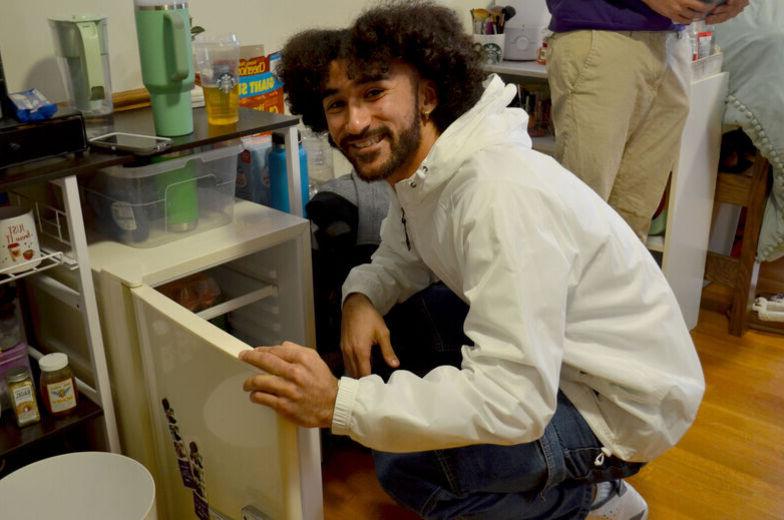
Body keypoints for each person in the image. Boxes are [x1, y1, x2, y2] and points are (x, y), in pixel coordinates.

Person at [239, 2, 705, 518]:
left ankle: (590, 497)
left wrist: (339, 405)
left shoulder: (496, 194)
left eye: (374, 93)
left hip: (622, 404)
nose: (355, 122)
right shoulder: (427, 170)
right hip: (563, 364)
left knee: (406, 465)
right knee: (407, 316)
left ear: (428, 96)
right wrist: (361, 294)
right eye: (336, 104)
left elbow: (513, 400)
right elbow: (405, 250)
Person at [546, 0, 749, 241]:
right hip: (604, 31)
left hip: (672, 41)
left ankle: (618, 279)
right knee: (581, 214)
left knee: (635, 216)